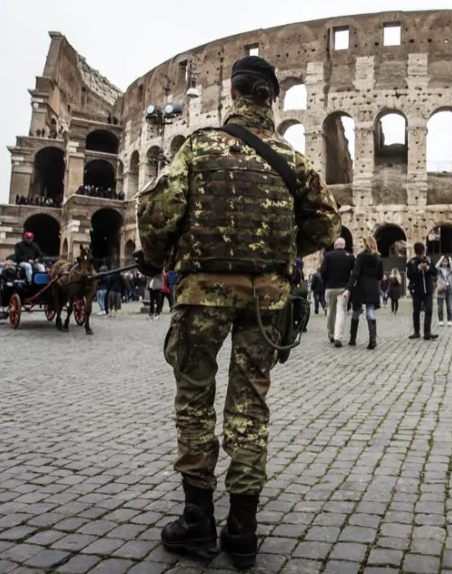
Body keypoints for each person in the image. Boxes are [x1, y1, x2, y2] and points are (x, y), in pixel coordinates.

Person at [134, 54, 340, 569]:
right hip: (267, 301)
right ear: (271, 98)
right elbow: (327, 225)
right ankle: (243, 529)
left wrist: (161, 254)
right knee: (251, 405)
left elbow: (158, 213)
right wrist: (286, 250)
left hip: (203, 295)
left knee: (195, 401)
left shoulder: (201, 147)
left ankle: (197, 520)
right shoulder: (293, 161)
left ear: (234, 94)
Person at [346, 235, 384, 349]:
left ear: (365, 244)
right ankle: (372, 340)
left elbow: (355, 273)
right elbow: (380, 276)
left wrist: (348, 287)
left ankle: (353, 339)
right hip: (372, 287)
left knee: (356, 311)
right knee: (370, 312)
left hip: (360, 287)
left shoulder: (361, 256)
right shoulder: (378, 258)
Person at [320, 238, 355, 348]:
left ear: (335, 245)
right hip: (343, 289)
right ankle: (338, 337)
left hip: (330, 287)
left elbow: (323, 272)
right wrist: (349, 286)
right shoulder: (350, 256)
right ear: (344, 246)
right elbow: (353, 273)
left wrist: (326, 282)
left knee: (330, 311)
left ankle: (330, 334)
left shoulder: (328, 256)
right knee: (341, 312)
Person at [406, 242, 438, 340]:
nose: (421, 255)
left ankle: (427, 332)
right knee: (416, 311)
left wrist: (428, 268)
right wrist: (417, 269)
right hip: (416, 290)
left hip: (428, 290)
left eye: (422, 253)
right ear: (416, 253)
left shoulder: (428, 260)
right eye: (419, 254)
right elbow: (409, 275)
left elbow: (435, 272)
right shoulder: (411, 262)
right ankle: (416, 332)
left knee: (429, 310)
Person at [435, 256, 452, 326]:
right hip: (441, 288)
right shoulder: (439, 270)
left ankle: (449, 320)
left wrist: (450, 260)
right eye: (443, 261)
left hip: (449, 289)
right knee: (440, 307)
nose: (444, 263)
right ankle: (441, 320)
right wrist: (440, 259)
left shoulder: (449, 270)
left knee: (449, 306)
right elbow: (436, 267)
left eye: (446, 261)